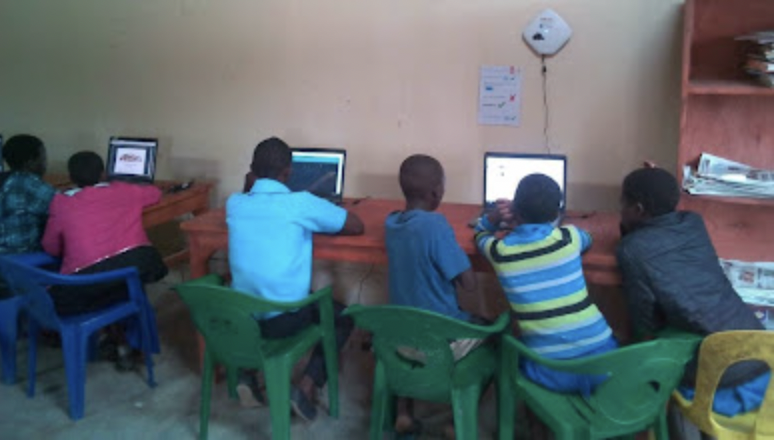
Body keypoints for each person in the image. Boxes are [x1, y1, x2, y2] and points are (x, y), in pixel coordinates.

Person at [617, 167, 770, 423]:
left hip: (721, 375)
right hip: (759, 351)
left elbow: (646, 322)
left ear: (639, 210)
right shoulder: (693, 222)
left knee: (649, 363)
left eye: (623, 203)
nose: (620, 208)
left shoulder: (631, 250)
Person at [227, 137, 364, 422]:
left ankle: (247, 374)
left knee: (276, 290)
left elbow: (247, 196)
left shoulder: (235, 204)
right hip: (281, 322)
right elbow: (356, 225)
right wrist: (320, 209)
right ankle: (306, 387)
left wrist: (250, 183)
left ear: (251, 170)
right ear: (288, 172)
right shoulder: (300, 204)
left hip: (241, 319)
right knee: (344, 317)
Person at [474, 174, 617, 394]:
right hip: (606, 360)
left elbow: (480, 234)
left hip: (551, 370)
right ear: (557, 214)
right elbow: (588, 237)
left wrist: (492, 218)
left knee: (510, 348)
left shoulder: (500, 251)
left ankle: (531, 419)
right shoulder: (568, 238)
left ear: (516, 211)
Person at [385, 154, 484, 437]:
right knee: (496, 335)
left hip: (400, 341)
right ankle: (456, 419)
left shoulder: (391, 223)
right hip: (440, 343)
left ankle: (403, 414)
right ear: (436, 192)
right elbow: (468, 283)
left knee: (414, 321)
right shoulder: (436, 226)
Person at [41, 152, 168, 367]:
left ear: (71, 177)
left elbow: (51, 247)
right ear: (104, 173)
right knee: (129, 282)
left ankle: (110, 338)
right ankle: (129, 344)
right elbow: (155, 194)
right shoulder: (124, 191)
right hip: (124, 274)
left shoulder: (61, 202)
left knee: (102, 277)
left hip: (80, 288)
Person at [0, 134, 56, 298]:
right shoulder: (29, 184)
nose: (45, 163)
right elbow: (64, 210)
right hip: (15, 259)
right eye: (42, 157)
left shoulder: (6, 178)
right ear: (30, 162)